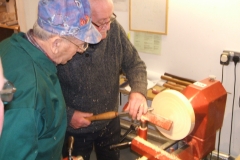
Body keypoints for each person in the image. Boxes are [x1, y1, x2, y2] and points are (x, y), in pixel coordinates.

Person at [0, 0, 101, 159]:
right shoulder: (31, 94)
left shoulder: (11, 45)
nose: (80, 51)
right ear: (56, 43)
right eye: (80, 45)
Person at [57, 0, 148, 159]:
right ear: (82, 20)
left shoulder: (114, 30)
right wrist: (67, 114)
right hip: (75, 129)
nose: (108, 27)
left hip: (109, 123)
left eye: (110, 19)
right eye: (101, 23)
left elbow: (135, 64)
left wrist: (138, 92)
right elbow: (47, 90)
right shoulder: (63, 41)